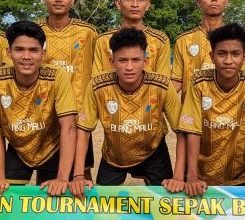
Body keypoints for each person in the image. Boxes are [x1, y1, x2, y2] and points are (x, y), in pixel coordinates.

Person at [0, 21, 76, 203]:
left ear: (43, 54)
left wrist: (62, 178)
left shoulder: (58, 76)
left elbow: (68, 127)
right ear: (9, 53)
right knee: (2, 196)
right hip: (18, 149)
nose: (26, 56)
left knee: (57, 200)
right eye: (19, 49)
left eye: (33, 50)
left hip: (53, 149)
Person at [70, 28, 185, 198]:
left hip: (154, 151)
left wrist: (178, 177)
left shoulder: (162, 86)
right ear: (112, 61)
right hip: (113, 154)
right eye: (122, 60)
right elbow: (84, 130)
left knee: (168, 200)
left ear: (145, 60)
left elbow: (181, 131)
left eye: (135, 60)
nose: (129, 67)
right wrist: (78, 175)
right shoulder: (97, 85)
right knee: (102, 204)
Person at [176, 23, 245, 199]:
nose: (228, 60)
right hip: (202, 178)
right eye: (222, 54)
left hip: (241, 175)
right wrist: (191, 176)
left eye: (235, 54)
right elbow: (192, 131)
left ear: (244, 57)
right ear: (212, 57)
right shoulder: (199, 82)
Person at [36, 0, 99, 180]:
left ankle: (85, 214)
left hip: (78, 116)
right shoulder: (34, 31)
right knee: (46, 176)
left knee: (81, 174)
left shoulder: (88, 33)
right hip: (44, 114)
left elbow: (97, 72)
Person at [171, 0, 245, 93]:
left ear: (226, 1)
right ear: (199, 2)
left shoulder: (238, 39)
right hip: (193, 110)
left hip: (230, 109)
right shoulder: (184, 40)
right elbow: (176, 82)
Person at [92, 0, 171, 77]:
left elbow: (163, 82)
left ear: (147, 4)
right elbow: (96, 81)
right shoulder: (103, 41)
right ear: (118, 4)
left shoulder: (161, 41)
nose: (135, 4)